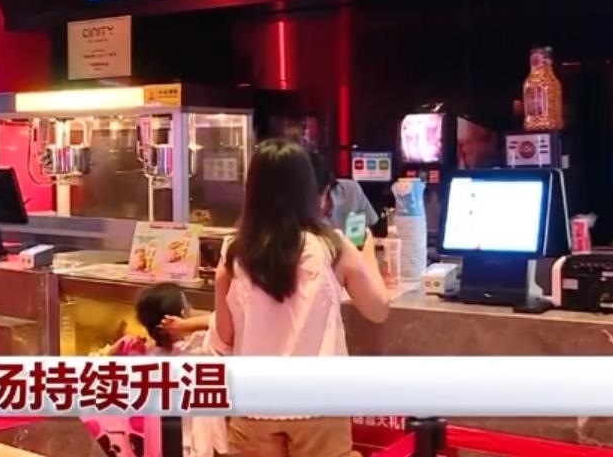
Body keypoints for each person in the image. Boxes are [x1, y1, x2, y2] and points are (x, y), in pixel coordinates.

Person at [209, 139, 390, 457]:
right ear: (309, 191)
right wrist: (368, 255)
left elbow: (224, 339)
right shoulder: (332, 247)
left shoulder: (234, 252)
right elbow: (378, 309)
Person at [91, 282, 228, 457]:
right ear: (183, 314)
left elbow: (93, 367)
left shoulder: (143, 356)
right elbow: (226, 320)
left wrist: (113, 350)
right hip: (193, 446)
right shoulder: (201, 349)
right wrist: (188, 325)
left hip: (154, 445)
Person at [307, 151, 379, 235]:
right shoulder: (297, 214)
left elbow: (368, 229)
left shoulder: (351, 192)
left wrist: (361, 236)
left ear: (326, 189)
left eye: (313, 198)